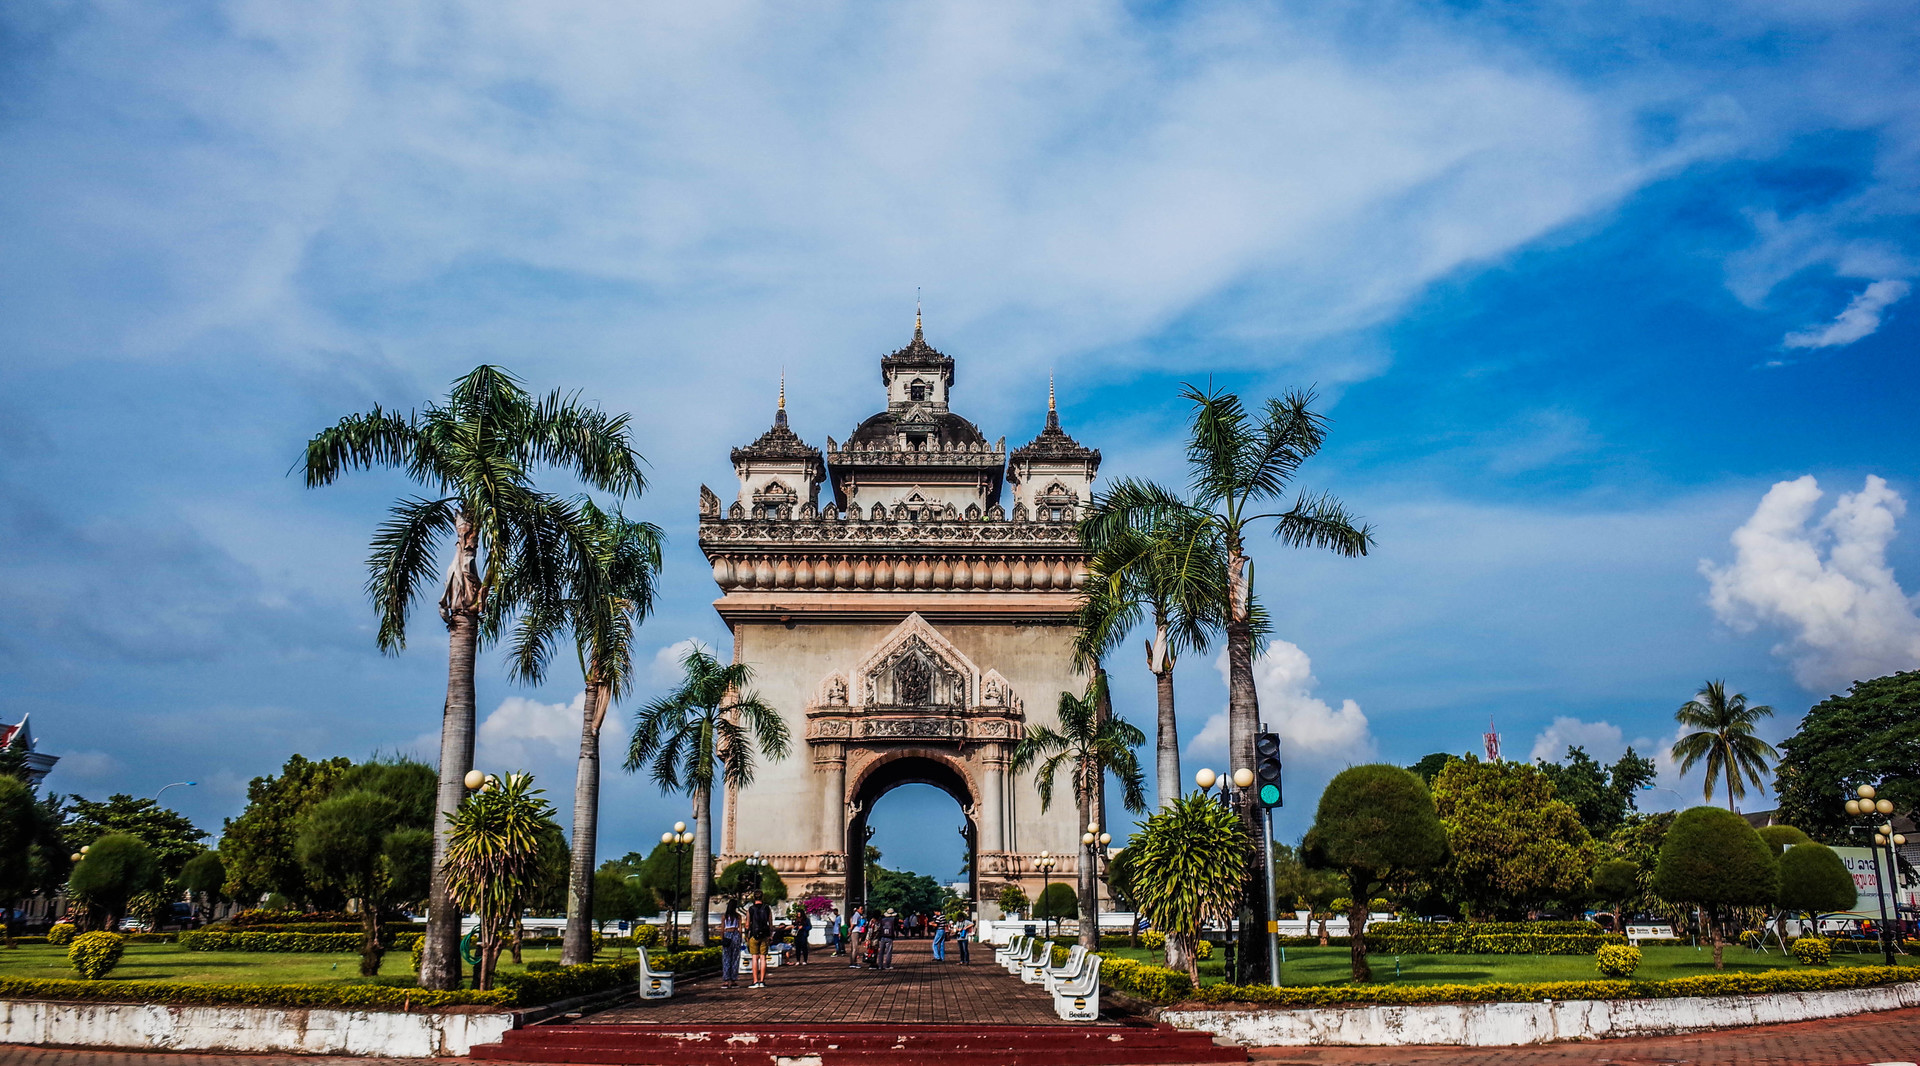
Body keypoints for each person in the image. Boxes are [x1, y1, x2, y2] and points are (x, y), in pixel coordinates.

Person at [746, 891, 774, 989]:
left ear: (754, 898)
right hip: (764, 935)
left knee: (754, 957)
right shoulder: (767, 908)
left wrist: (746, 934)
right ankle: (762, 980)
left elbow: (747, 924)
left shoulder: (751, 909)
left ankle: (755, 981)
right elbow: (770, 923)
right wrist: (770, 934)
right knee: (763, 958)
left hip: (754, 934)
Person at [719, 900, 744, 989]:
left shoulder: (724, 916)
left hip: (727, 935)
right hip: (735, 934)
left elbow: (722, 929)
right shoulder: (738, 916)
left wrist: (722, 939)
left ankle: (726, 980)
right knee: (735, 958)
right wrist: (740, 939)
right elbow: (740, 929)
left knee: (726, 958)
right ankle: (733, 980)